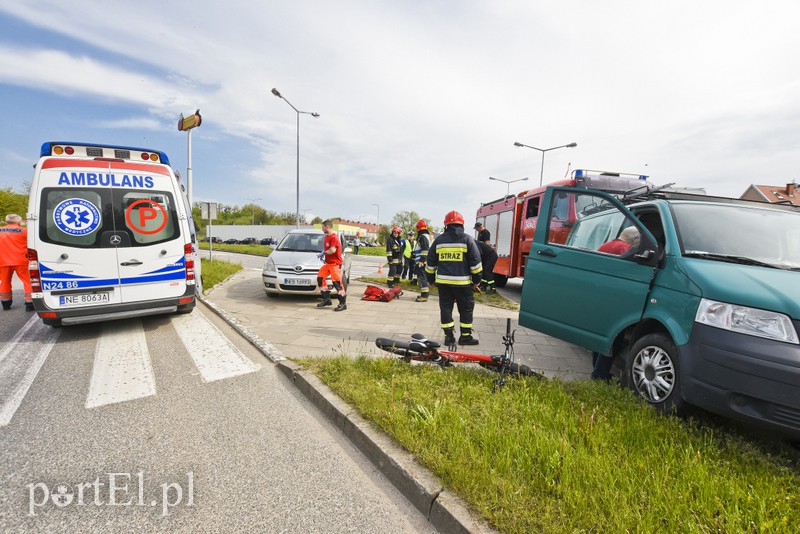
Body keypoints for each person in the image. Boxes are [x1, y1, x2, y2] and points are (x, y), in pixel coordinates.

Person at [426, 210, 482, 346]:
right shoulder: (467, 239)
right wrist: (476, 281)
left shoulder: (439, 241)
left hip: (443, 283)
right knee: (466, 308)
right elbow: (475, 263)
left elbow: (430, 262)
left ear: (446, 225)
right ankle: (465, 337)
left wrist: (430, 279)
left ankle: (449, 337)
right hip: (463, 283)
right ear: (461, 224)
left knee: (445, 308)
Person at [592, 226, 641, 379]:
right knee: (614, 339)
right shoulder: (626, 249)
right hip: (614, 299)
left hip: (599, 295)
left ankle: (596, 369)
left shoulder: (604, 246)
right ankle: (600, 375)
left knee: (599, 336)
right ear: (633, 240)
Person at [0, 214, 34, 311]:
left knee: (4, 282)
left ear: (6, 221)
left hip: (3, 261)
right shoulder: (24, 231)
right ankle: (29, 304)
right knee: (27, 282)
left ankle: (6, 304)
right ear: (18, 222)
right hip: (21, 260)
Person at [316, 220, 347, 312]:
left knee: (337, 284)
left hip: (335, 264)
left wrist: (323, 253)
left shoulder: (334, 238)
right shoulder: (327, 237)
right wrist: (324, 255)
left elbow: (332, 250)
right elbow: (328, 249)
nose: (322, 229)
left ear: (327, 227)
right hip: (328, 264)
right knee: (320, 279)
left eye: (323, 227)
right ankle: (326, 299)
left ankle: (343, 303)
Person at [413, 220, 432, 302]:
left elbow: (425, 250)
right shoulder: (426, 236)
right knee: (422, 277)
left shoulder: (422, 237)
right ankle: (424, 294)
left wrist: (422, 260)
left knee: (422, 277)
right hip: (423, 260)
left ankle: (424, 295)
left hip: (422, 261)